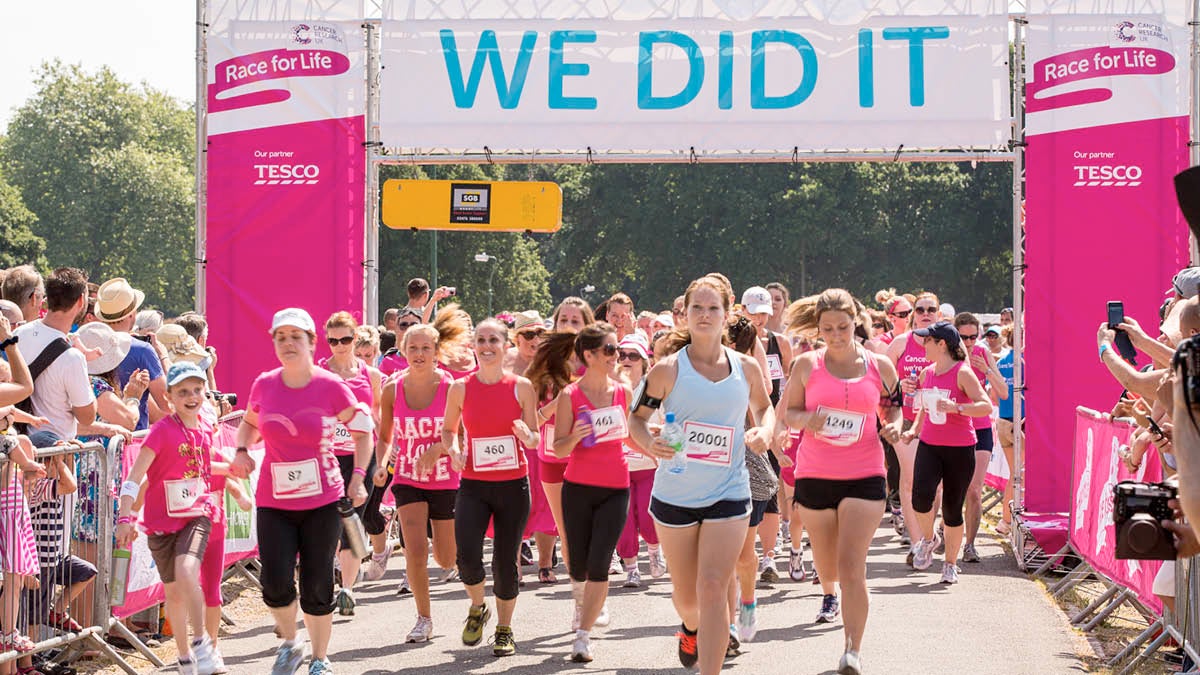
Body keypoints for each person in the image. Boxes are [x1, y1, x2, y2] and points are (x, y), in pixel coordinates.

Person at [629, 276, 774, 675]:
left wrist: (764, 430)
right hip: (675, 494)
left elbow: (765, 408)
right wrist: (649, 445)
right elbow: (636, 420)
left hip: (729, 489)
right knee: (689, 597)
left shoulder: (744, 368)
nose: (705, 315)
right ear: (685, 314)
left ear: (727, 314)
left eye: (713, 308)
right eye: (697, 308)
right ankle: (689, 627)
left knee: (713, 585)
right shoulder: (666, 371)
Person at [230, 308, 372, 675]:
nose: (288, 343)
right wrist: (242, 450)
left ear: (311, 342)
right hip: (274, 501)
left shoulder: (330, 386)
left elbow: (362, 432)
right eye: (281, 337)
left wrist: (358, 476)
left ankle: (320, 658)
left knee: (317, 581)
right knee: (275, 581)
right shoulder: (264, 384)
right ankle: (291, 644)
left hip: (322, 500)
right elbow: (247, 425)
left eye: (296, 336)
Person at [783, 289, 903, 675]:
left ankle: (852, 649)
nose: (836, 335)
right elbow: (789, 414)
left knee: (853, 565)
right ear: (818, 329)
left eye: (843, 327)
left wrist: (896, 427)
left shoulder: (880, 365)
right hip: (815, 474)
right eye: (828, 329)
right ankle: (828, 590)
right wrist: (808, 420)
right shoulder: (806, 365)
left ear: (856, 322)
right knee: (829, 564)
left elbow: (894, 406)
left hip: (865, 471)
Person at [439, 318, 540, 657]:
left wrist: (527, 436)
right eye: (481, 339)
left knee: (504, 562)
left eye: (493, 340)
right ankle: (479, 607)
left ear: (505, 344)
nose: (486, 345)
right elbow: (449, 430)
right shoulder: (460, 387)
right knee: (466, 557)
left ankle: (504, 629)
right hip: (474, 484)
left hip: (513, 485)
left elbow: (536, 435)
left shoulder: (522, 386)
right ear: (473, 345)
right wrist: (452, 448)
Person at [116, 362, 225, 675]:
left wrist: (233, 469)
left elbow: (204, 469)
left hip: (198, 514)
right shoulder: (160, 432)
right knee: (174, 593)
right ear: (169, 398)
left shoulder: (205, 429)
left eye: (197, 390)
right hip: (162, 522)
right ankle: (184, 654)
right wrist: (127, 516)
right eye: (183, 392)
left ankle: (202, 642)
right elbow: (137, 477)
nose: (191, 397)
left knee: (188, 567)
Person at [375, 310, 469, 644]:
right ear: (402, 349)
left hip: (445, 480)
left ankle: (456, 569)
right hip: (407, 478)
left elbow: (461, 435)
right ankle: (423, 619)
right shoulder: (392, 388)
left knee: (445, 557)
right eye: (412, 347)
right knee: (415, 550)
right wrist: (380, 463)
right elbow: (386, 436)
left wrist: (440, 451)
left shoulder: (451, 387)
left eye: (425, 348)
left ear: (435, 351)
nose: (418, 354)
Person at [551, 322, 634, 662]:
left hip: (616, 487)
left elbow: (629, 434)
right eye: (611, 350)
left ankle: (582, 636)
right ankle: (585, 604)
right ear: (590, 355)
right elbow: (558, 449)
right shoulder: (570, 396)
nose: (618, 357)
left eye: (619, 351)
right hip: (579, 488)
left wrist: (656, 441)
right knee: (580, 564)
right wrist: (575, 434)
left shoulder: (622, 392)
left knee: (601, 563)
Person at [899, 321, 993, 584]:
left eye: (927, 340)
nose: (922, 344)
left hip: (961, 448)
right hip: (930, 443)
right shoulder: (927, 372)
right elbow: (923, 406)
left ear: (942, 344)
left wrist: (956, 408)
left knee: (952, 510)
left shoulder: (963, 373)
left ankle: (950, 564)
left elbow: (985, 406)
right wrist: (914, 430)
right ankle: (929, 539)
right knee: (920, 497)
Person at [319, 312, 383, 617]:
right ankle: (326, 585)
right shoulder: (320, 374)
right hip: (328, 457)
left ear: (355, 339)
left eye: (345, 339)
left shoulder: (371, 376)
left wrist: (384, 456)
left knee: (353, 520)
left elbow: (380, 419)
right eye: (333, 340)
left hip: (362, 457)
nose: (340, 346)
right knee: (327, 523)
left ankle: (347, 589)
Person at [12, 268, 97, 448]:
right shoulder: (72, 357)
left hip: (18, 450)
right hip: (54, 454)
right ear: (81, 300)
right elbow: (87, 416)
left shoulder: (18, 334)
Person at [885, 291, 941, 558]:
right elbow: (880, 382)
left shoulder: (947, 343)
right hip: (906, 419)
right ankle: (918, 543)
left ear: (938, 314)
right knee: (909, 481)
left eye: (931, 309)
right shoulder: (899, 344)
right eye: (920, 309)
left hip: (938, 421)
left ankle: (929, 531)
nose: (925, 313)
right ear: (913, 315)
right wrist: (899, 385)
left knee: (935, 485)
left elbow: (959, 374)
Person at [953, 313, 1008, 563]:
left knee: (974, 490)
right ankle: (944, 536)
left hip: (981, 428)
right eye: (963, 337)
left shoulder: (983, 354)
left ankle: (970, 545)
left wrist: (987, 370)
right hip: (952, 428)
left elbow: (1004, 392)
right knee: (948, 490)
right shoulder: (946, 355)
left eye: (974, 337)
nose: (969, 342)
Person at [615, 334, 664, 587]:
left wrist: (657, 435)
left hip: (648, 466)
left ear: (644, 361)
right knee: (623, 521)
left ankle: (654, 550)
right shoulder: (611, 387)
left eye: (633, 355)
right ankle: (632, 568)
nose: (626, 360)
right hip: (619, 468)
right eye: (621, 354)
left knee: (647, 518)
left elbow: (666, 422)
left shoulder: (652, 387)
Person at [96, 277, 168, 431]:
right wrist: (164, 357)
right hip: (131, 441)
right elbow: (166, 403)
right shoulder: (142, 351)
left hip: (90, 443)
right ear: (132, 314)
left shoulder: (86, 347)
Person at [504, 311, 545, 376]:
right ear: (517, 339)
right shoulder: (503, 359)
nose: (536, 339)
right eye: (529, 334)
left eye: (540, 333)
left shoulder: (552, 360)